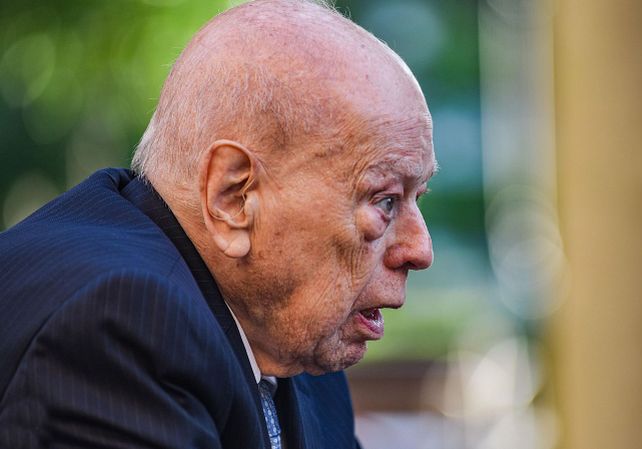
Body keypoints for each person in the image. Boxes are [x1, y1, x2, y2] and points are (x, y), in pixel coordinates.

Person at [0, 0, 436, 447]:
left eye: (417, 197)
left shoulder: (297, 344)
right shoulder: (121, 325)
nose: (421, 249)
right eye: (385, 200)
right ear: (233, 197)